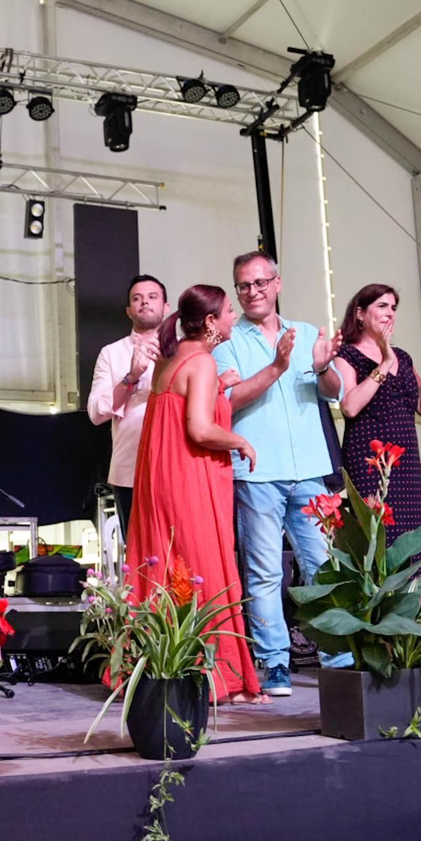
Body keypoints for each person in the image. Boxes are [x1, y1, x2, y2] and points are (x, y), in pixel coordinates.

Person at [211, 251, 343, 697]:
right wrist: (276, 368)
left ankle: (337, 657)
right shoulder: (226, 344)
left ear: (277, 283)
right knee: (265, 571)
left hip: (309, 469)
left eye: (260, 282)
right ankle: (275, 663)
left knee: (321, 567)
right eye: (243, 286)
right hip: (256, 470)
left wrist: (323, 366)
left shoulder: (306, 333)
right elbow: (225, 404)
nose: (253, 292)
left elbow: (334, 393)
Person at [128, 286, 263, 704]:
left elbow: (179, 404)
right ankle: (215, 676)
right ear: (210, 322)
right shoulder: (202, 360)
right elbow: (199, 429)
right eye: (227, 311)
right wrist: (239, 441)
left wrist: (219, 385)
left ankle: (162, 666)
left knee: (168, 564)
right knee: (200, 566)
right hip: (188, 476)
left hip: (161, 475)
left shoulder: (173, 357)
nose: (232, 317)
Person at [334, 283, 421, 575]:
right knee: (380, 535)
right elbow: (350, 406)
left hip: (406, 462)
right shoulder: (347, 355)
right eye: (382, 306)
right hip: (370, 462)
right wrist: (384, 363)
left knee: (414, 539)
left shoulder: (404, 358)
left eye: (394, 307)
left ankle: (419, 609)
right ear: (360, 314)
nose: (390, 313)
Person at [87, 274, 168, 535]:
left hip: (174, 466)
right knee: (138, 555)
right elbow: (96, 412)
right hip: (129, 469)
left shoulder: (182, 349)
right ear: (128, 311)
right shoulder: (111, 353)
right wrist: (130, 378)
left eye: (152, 297)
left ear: (166, 307)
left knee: (177, 554)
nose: (145, 302)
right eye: (137, 298)